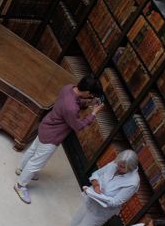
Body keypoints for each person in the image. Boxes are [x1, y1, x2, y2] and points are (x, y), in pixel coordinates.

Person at [14, 75, 102, 203]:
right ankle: (20, 185)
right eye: (91, 95)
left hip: (46, 125)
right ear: (88, 92)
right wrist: (94, 113)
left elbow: (74, 101)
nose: (91, 97)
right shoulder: (71, 108)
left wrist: (88, 103)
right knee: (36, 163)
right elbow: (77, 126)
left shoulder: (68, 88)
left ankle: (21, 169)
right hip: (52, 135)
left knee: (33, 150)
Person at [51, 150, 141, 226]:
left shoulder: (132, 183)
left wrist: (99, 196)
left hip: (102, 210)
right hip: (90, 197)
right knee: (77, 219)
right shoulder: (116, 164)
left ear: (131, 168)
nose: (118, 168)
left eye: (122, 168)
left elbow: (116, 201)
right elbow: (96, 174)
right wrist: (96, 185)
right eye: (118, 165)